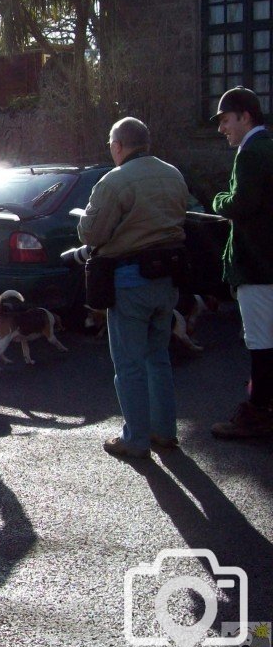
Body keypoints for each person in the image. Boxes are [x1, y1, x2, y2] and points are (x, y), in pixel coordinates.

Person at [78, 117, 189, 458]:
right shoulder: (174, 174)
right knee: (159, 358)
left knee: (129, 365)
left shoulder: (115, 181)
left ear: (118, 146)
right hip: (168, 279)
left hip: (130, 281)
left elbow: (91, 234)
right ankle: (164, 432)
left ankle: (136, 439)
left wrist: (84, 219)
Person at [208, 87, 273, 439]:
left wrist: (218, 201)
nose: (222, 129)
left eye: (226, 120)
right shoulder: (269, 147)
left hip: (258, 266)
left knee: (261, 342)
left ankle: (258, 412)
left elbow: (240, 203)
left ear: (245, 116)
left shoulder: (251, 153)